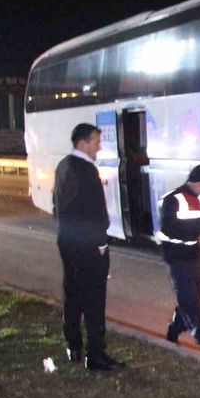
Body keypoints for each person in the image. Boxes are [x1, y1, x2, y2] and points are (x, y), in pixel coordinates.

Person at [53, 123, 124, 372]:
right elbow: (96, 213)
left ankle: (73, 346)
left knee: (72, 296)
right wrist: (102, 243)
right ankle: (96, 356)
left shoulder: (63, 166)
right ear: (83, 142)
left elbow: (58, 206)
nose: (99, 146)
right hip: (89, 247)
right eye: (96, 141)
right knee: (94, 300)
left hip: (67, 242)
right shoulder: (86, 170)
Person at [157, 164, 200, 359]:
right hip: (177, 259)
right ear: (193, 181)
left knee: (188, 300)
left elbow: (199, 225)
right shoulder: (172, 200)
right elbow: (167, 232)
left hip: (196, 258)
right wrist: (195, 240)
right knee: (191, 303)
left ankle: (173, 331)